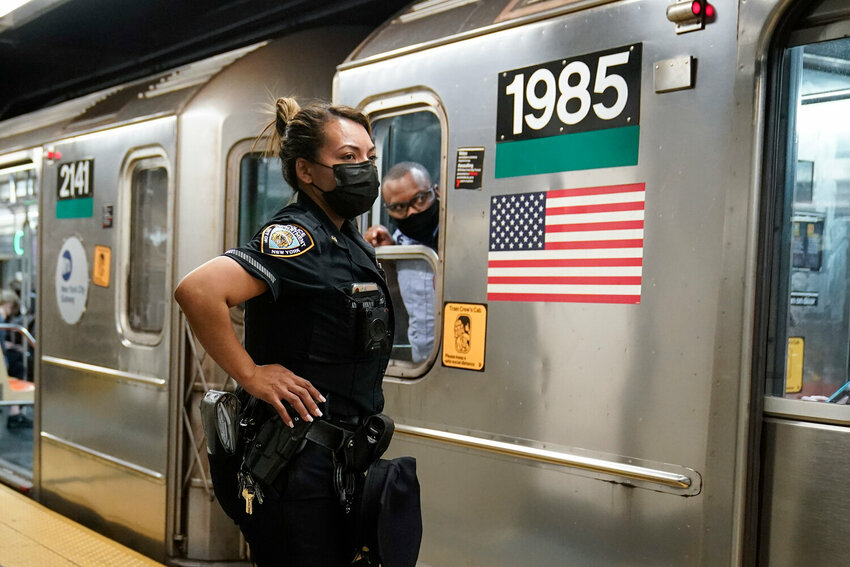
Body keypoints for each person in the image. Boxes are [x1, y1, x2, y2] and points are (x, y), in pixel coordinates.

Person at [175, 97, 393, 567]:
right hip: (299, 464)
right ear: (307, 171)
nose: (366, 169)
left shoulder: (346, 236)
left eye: (370, 157)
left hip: (340, 459)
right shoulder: (297, 237)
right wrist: (251, 374)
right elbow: (197, 291)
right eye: (348, 157)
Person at [364, 162, 438, 363]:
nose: (412, 212)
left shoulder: (456, 240)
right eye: (399, 207)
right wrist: (386, 259)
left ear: (436, 192)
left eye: (420, 199)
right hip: (416, 362)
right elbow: (394, 308)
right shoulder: (395, 247)